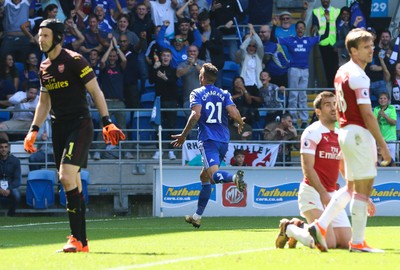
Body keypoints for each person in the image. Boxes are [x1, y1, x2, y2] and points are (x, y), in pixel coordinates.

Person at [23, 19, 125, 252]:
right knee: (71, 181)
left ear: (58, 37)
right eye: (39, 36)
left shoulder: (75, 60)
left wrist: (107, 121)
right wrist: (33, 130)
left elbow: (96, 91)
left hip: (80, 124)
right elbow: (44, 102)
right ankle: (81, 241)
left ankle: (76, 239)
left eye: (46, 35)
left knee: (66, 177)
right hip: (58, 128)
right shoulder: (44, 67)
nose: (41, 40)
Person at [308, 28, 391, 253]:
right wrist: (383, 145)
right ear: (353, 51)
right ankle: (358, 241)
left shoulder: (341, 71)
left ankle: (321, 225)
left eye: (372, 45)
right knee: (363, 188)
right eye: (366, 47)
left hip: (344, 131)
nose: (371, 49)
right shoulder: (359, 75)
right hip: (357, 132)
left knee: (352, 187)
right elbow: (367, 113)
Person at [171, 63, 247, 228]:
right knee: (204, 177)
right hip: (223, 141)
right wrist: (240, 122)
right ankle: (197, 216)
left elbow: (196, 114)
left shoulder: (197, 92)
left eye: (200, 74)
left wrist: (184, 135)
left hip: (208, 140)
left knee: (213, 176)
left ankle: (235, 178)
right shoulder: (224, 93)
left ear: (203, 77)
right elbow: (233, 112)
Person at [275, 91, 352, 250]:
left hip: (331, 194)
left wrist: (354, 190)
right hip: (312, 192)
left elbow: (342, 165)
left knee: (346, 243)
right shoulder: (312, 132)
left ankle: (299, 226)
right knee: (328, 243)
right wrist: (323, 193)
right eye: (328, 105)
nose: (333, 108)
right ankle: (290, 228)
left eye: (335, 104)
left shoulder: (339, 134)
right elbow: (307, 167)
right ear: (318, 111)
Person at [150, 49, 179, 160]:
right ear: (161, 57)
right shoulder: (157, 68)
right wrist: (154, 68)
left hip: (172, 101)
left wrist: (164, 78)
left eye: (168, 56)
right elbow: (151, 80)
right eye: (164, 56)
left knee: (171, 126)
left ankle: (171, 151)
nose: (166, 58)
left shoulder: (173, 70)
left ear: (171, 58)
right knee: (158, 126)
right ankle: (159, 150)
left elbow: (174, 84)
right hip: (159, 101)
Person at [0, 139, 21, 217]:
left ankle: (11, 215)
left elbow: (17, 179)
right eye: (1, 147)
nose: (3, 149)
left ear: (8, 148)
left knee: (17, 195)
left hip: (10, 187)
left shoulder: (15, 161)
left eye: (5, 147)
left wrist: (9, 189)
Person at [373, 92, 397, 162]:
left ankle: (394, 173)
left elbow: (394, 123)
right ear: (378, 100)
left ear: (388, 100)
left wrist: (385, 116)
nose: (382, 100)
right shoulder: (376, 109)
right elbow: (374, 125)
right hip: (380, 139)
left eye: (384, 98)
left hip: (391, 138)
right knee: (379, 161)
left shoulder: (392, 108)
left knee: (391, 161)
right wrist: (379, 117)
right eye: (381, 98)